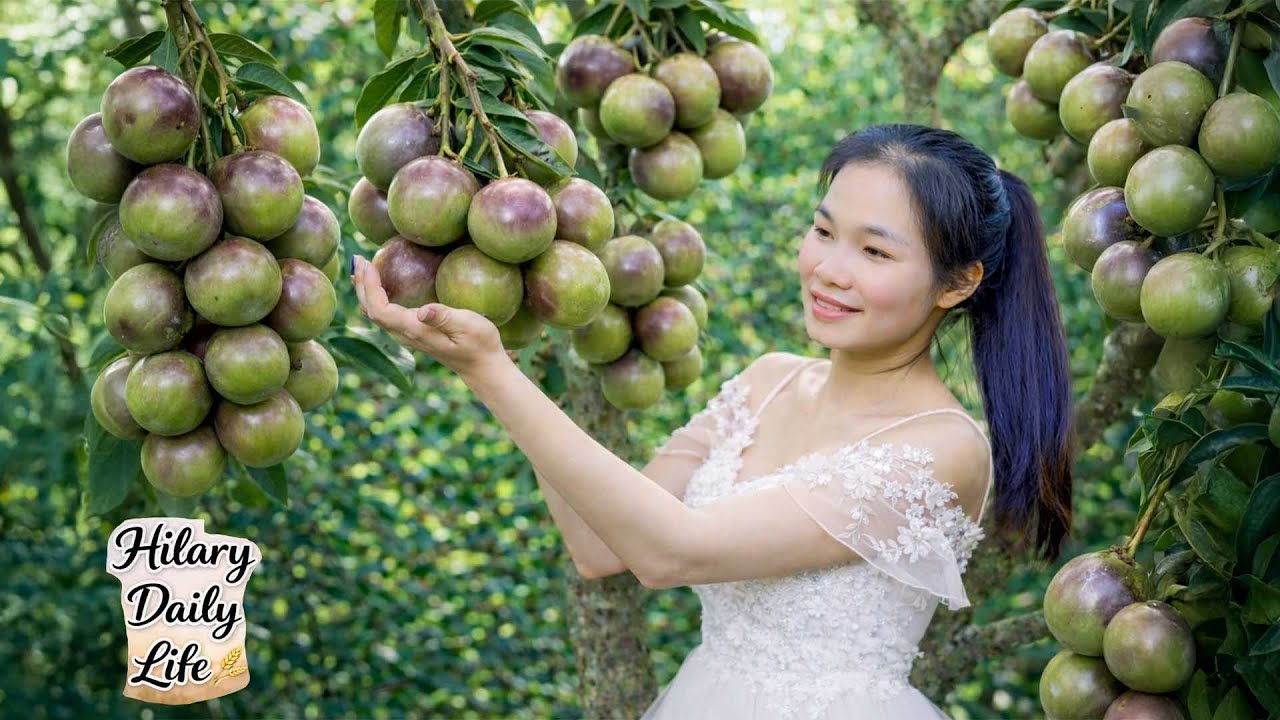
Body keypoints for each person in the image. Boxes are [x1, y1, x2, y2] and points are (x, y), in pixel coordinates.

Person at [350, 122, 1075, 719]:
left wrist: (489, 370)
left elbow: (673, 553)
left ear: (958, 282)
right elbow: (600, 547)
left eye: (875, 250)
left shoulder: (942, 449)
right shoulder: (766, 381)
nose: (828, 269)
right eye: (823, 232)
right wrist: (503, 344)